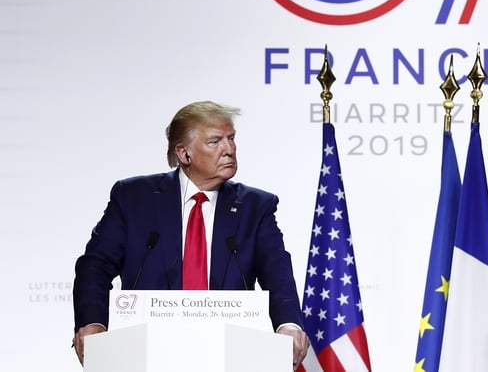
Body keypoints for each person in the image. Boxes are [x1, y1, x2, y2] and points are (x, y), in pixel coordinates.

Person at [72, 101, 310, 369]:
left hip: (230, 355)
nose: (229, 149)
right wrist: (92, 322)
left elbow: (277, 274)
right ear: (184, 154)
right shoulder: (133, 198)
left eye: (231, 138)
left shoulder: (256, 207)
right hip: (147, 353)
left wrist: (288, 324)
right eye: (215, 141)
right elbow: (96, 265)